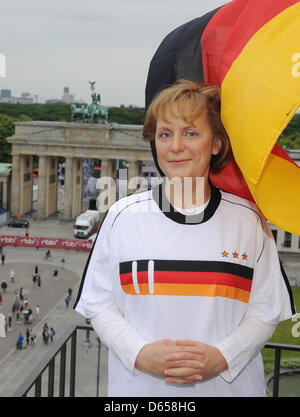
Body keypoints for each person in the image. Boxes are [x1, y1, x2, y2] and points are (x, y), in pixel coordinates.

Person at [74, 80, 295, 397]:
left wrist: (223, 357)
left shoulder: (249, 221)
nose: (175, 146)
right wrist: (139, 353)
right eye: (165, 134)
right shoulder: (121, 216)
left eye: (191, 133)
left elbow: (266, 310)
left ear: (216, 144)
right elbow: (99, 304)